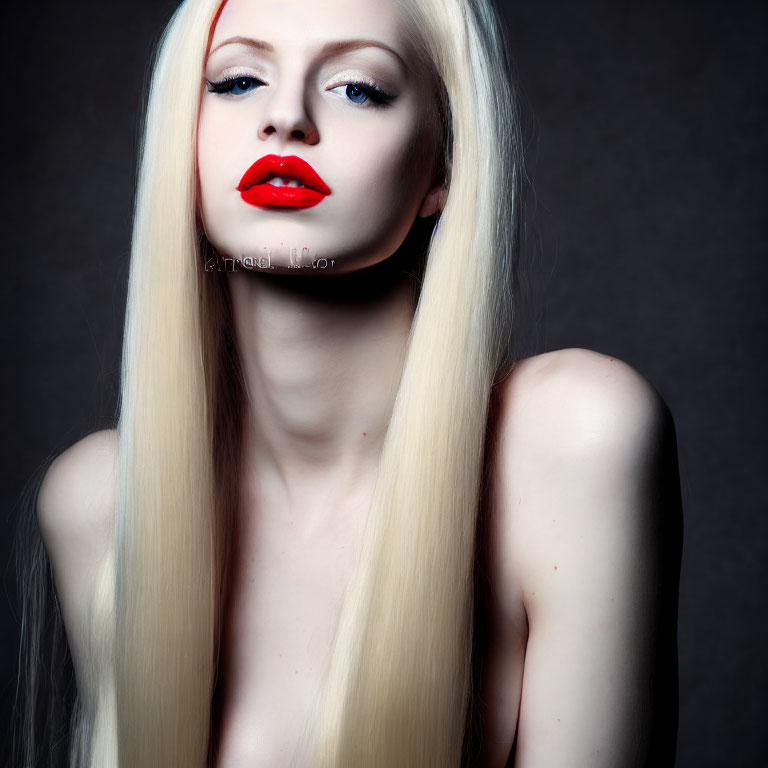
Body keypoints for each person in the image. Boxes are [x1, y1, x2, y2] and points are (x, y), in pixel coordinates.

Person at [12, 0, 684, 765]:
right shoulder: (100, 500)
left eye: (358, 88)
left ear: (443, 168)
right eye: (236, 81)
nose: (286, 118)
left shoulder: (570, 441)